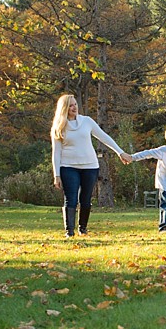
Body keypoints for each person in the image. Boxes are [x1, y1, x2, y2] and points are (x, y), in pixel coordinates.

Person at [51, 94, 130, 237]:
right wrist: (56, 174)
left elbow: (104, 137)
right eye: (70, 105)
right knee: (71, 199)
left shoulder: (87, 121)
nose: (74, 107)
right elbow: (56, 153)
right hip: (68, 166)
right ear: (64, 108)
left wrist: (120, 152)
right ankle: (69, 231)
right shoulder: (59, 127)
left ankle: (83, 228)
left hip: (90, 166)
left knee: (86, 199)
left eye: (75, 104)